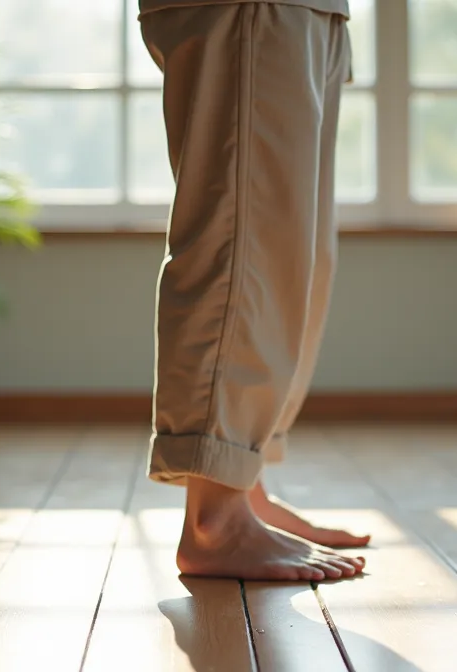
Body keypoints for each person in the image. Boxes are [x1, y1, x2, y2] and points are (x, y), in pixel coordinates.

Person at [138, 0, 367, 582]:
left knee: (295, 254)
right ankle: (215, 518)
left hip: (312, 11)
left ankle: (243, 480)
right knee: (244, 241)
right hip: (252, 7)